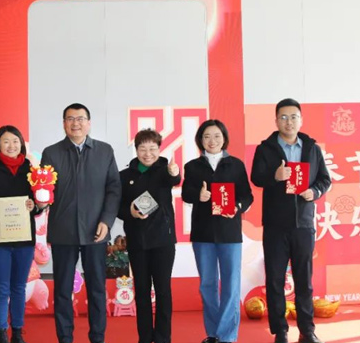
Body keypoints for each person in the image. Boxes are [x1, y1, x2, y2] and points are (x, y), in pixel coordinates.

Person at [251, 98, 331, 343]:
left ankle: (307, 331)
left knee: (304, 280)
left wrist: (314, 192)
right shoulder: (265, 149)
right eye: (283, 117)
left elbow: (324, 180)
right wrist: (275, 176)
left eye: (294, 117)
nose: (289, 122)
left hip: (303, 224)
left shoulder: (312, 148)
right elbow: (256, 177)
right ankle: (280, 331)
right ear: (276, 121)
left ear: (301, 120)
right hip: (275, 225)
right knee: (275, 279)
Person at [41, 103, 121, 343]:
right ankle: (65, 338)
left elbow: (114, 189)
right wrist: (39, 200)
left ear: (89, 123)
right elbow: (44, 190)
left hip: (96, 231)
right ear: (63, 123)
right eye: (70, 119)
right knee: (63, 290)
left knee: (96, 288)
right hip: (63, 231)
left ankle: (97, 337)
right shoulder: (51, 153)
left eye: (80, 118)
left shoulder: (104, 151)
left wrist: (106, 221)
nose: (75, 123)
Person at [182, 119, 253, 343]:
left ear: (224, 139)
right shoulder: (192, 166)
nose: (212, 141)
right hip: (203, 233)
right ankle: (213, 334)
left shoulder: (236, 165)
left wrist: (237, 206)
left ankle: (227, 336)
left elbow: (247, 196)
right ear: (200, 140)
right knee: (207, 285)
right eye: (207, 136)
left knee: (231, 284)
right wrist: (199, 196)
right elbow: (186, 194)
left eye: (216, 136)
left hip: (229, 233)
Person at [0, 125, 44, 343]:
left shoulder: (30, 170)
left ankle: (17, 331)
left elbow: (39, 202)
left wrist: (35, 205)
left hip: (24, 238)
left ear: (21, 144)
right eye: (6, 141)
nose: (11, 145)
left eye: (15, 141)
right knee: (1, 287)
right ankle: (1, 332)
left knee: (19, 287)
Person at [117, 129, 180, 343]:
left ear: (159, 149)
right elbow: (118, 207)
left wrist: (174, 172)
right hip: (137, 241)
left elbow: (175, 178)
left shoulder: (164, 170)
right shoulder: (124, 176)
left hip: (163, 240)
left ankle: (163, 337)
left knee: (163, 291)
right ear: (136, 150)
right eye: (143, 149)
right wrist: (130, 212)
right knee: (142, 291)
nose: (148, 153)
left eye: (152, 148)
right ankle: (144, 337)